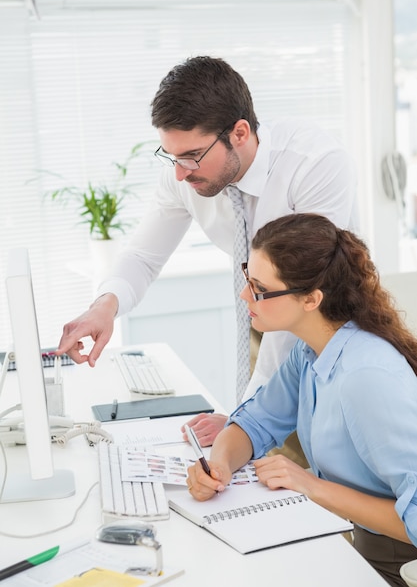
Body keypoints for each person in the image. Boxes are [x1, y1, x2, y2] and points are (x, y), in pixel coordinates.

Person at [56, 55, 357, 451]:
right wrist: (105, 306)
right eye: (171, 156)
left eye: (192, 156)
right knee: (259, 463)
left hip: (325, 329)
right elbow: (143, 256)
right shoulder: (185, 174)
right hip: (266, 313)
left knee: (317, 464)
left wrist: (244, 418)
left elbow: (300, 301)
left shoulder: (313, 164)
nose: (181, 172)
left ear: (240, 132)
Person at [186, 213, 417, 587]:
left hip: (399, 561)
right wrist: (219, 467)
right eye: (247, 279)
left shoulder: (367, 378)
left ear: (311, 298)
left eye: (259, 287)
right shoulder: (310, 352)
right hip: (355, 538)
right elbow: (255, 422)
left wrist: (311, 485)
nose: (245, 296)